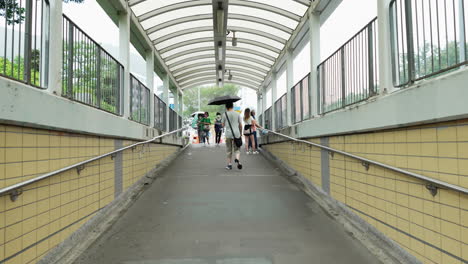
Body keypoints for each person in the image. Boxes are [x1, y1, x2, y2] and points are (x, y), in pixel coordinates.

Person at [222, 102, 243, 170]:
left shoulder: (224, 114)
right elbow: (240, 125)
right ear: (232, 106)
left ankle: (229, 165)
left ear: (226, 107)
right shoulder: (237, 113)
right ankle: (237, 159)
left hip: (228, 134)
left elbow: (222, 125)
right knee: (237, 149)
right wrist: (240, 133)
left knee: (229, 150)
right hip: (236, 133)